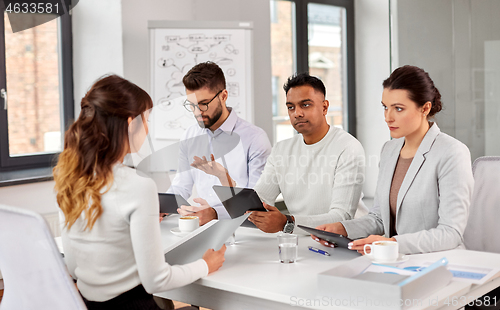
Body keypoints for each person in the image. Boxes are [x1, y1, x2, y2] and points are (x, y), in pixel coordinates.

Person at [53, 75, 226, 310]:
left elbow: (74, 268)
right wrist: (206, 264)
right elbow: (157, 279)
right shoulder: (137, 186)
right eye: (146, 119)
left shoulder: (69, 180)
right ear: (130, 123)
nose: (147, 128)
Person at [312, 65, 474, 254]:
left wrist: (391, 244)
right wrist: (343, 229)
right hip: (391, 260)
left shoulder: (452, 153)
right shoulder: (390, 150)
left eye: (398, 108)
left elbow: (450, 233)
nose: (388, 117)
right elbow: (380, 218)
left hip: (436, 262)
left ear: (425, 108)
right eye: (385, 107)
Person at [247, 72, 365, 233]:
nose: (297, 113)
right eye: (291, 107)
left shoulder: (347, 147)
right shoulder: (281, 150)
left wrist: (288, 223)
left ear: (324, 107)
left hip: (345, 242)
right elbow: (260, 200)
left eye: (305, 105)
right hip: (302, 238)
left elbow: (342, 216)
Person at [168, 61, 272, 225]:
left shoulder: (255, 138)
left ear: (224, 96)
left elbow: (257, 200)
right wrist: (162, 207)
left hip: (244, 230)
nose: (197, 112)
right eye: (192, 105)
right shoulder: (190, 135)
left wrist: (215, 213)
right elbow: (180, 187)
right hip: (202, 228)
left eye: (204, 104)